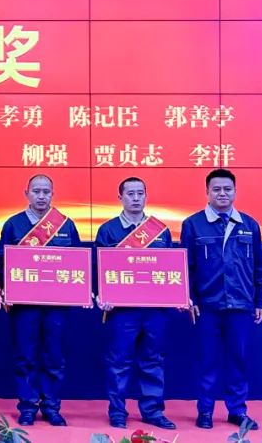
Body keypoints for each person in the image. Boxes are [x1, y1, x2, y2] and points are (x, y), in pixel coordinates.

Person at [181, 168, 262, 431]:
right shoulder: (193, 224)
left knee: (237, 359)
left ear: (235, 191)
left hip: (241, 305)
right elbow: (185, 267)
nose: (222, 193)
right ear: (207, 192)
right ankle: (205, 411)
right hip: (207, 306)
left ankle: (237, 411)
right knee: (207, 360)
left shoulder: (249, 225)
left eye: (227, 189)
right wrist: (189, 298)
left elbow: (261, 266)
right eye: (216, 189)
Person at [0, 174, 81, 427]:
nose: (41, 196)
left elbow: (78, 262)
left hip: (57, 305)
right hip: (24, 305)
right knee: (26, 357)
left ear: (52, 194)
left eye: (46, 191)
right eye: (36, 191)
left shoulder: (66, 225)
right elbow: (2, 262)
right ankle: (27, 406)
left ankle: (51, 406)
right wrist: (3, 289)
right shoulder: (13, 225)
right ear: (27, 193)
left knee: (54, 357)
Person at [95, 177, 176, 430]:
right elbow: (98, 269)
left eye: (140, 193)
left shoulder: (160, 231)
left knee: (153, 360)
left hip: (155, 310)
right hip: (122, 311)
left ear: (146, 196)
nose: (136, 198)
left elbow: (171, 269)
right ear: (120, 197)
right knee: (119, 362)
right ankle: (117, 411)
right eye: (130, 194)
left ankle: (152, 411)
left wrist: (177, 294)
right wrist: (101, 294)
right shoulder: (108, 231)